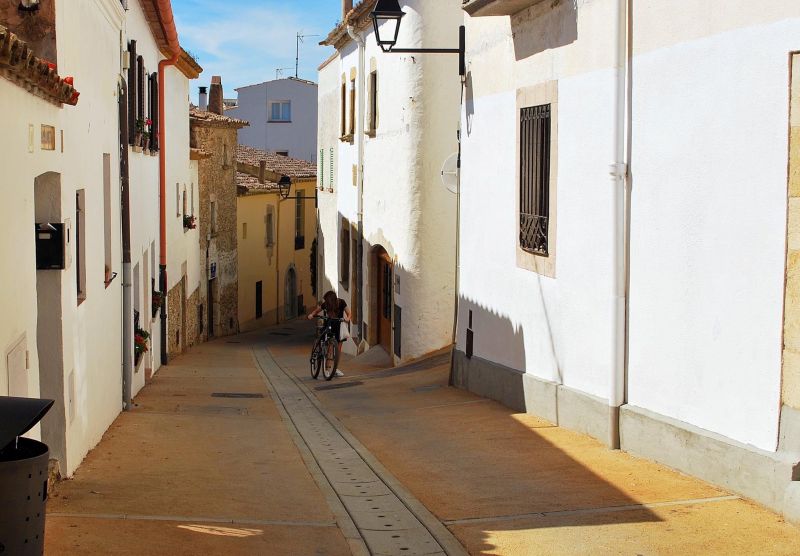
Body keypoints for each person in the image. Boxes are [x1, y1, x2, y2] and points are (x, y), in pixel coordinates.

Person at [307, 291, 351, 377]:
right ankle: (327, 369)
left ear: (331, 299)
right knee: (330, 348)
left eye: (327, 300)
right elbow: (317, 311)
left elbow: (349, 313)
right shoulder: (326, 304)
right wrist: (311, 315)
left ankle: (335, 369)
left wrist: (347, 319)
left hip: (339, 325)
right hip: (330, 324)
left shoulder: (341, 302)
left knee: (338, 350)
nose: (326, 302)